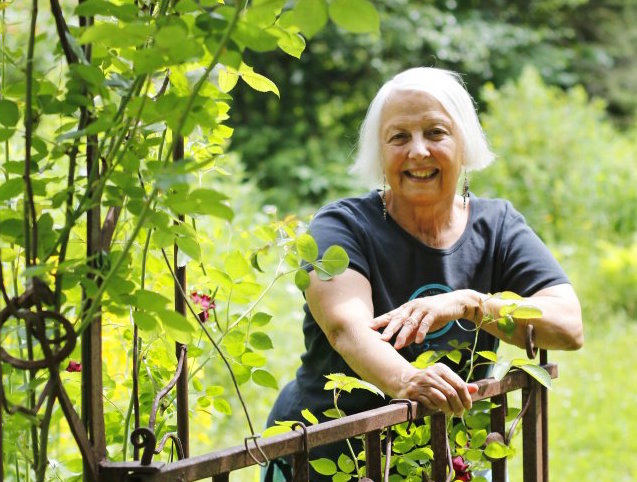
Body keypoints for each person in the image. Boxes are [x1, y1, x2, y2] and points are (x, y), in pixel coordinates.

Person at [264, 67, 583, 481]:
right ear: (379, 154)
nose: (418, 151)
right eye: (399, 137)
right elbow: (347, 329)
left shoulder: (497, 226)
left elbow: (568, 325)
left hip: (444, 458)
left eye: (436, 132)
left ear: (464, 144)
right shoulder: (342, 226)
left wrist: (469, 303)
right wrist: (410, 381)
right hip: (335, 460)